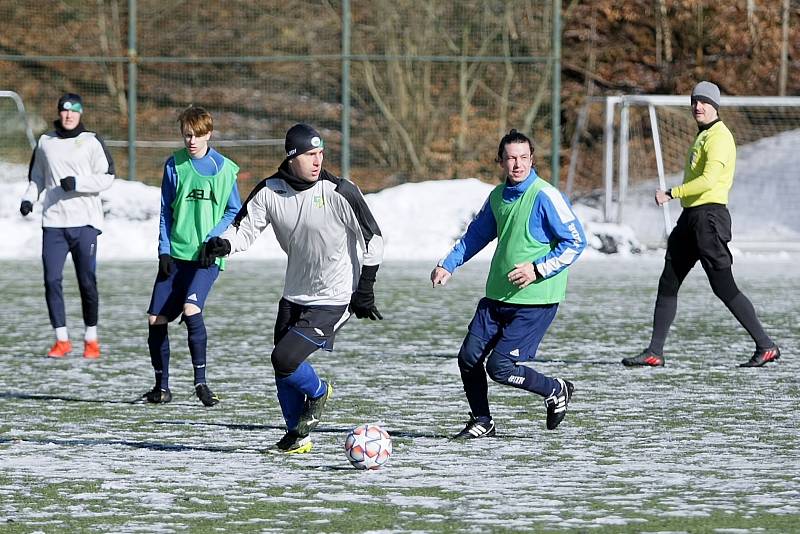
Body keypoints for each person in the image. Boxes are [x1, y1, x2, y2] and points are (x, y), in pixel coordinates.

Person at [202, 123, 384, 453]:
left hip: (335, 295)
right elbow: (243, 229)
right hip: (294, 293)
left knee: (284, 358)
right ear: (291, 157)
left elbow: (374, 240)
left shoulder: (339, 191)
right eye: (310, 154)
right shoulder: (270, 191)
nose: (318, 161)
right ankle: (297, 437)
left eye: (321, 154)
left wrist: (365, 290)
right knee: (282, 367)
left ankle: (319, 393)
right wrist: (223, 245)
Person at [431, 129, 586, 438]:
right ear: (500, 161)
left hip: (535, 301)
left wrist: (537, 269)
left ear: (532, 159)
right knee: (468, 359)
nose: (518, 164)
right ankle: (482, 420)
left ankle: (556, 390)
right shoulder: (498, 197)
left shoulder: (545, 195)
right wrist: (448, 264)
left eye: (524, 158)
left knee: (500, 368)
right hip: (497, 297)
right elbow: (476, 235)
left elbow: (576, 241)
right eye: (511, 158)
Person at [622, 81, 781, 369]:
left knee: (724, 287)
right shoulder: (703, 136)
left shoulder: (719, 137)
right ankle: (654, 351)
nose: (698, 106)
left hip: (708, 219)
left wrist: (672, 193)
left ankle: (766, 345)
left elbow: (708, 181)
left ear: (715, 106)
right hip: (690, 219)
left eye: (704, 102)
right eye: (695, 101)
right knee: (668, 281)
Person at [142, 105, 242, 406]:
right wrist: (164, 250)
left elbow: (233, 209)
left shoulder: (225, 169)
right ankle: (161, 387)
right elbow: (164, 212)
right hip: (177, 254)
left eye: (197, 135)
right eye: (187, 135)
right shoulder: (174, 166)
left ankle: (201, 383)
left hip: (205, 259)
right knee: (155, 319)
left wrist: (214, 239)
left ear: (208, 133)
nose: (192, 141)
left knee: (191, 309)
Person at [19, 93, 115, 359]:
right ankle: (61, 340)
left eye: (73, 110)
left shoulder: (91, 142)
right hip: (53, 222)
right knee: (51, 280)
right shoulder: (45, 142)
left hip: (85, 223)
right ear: (59, 112)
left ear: (81, 113)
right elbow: (36, 177)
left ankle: (91, 339)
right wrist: (29, 199)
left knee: (87, 282)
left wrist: (79, 183)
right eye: (64, 110)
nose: (69, 115)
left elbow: (108, 176)